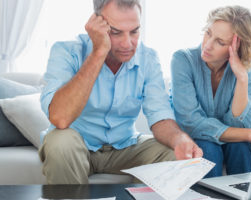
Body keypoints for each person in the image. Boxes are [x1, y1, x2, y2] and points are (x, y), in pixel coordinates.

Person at [39, 0, 202, 184]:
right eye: (115, 32)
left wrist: (179, 139)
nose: (127, 44)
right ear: (96, 25)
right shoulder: (67, 51)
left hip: (125, 145)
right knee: (59, 142)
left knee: (175, 154)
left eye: (134, 31)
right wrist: (99, 52)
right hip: (77, 145)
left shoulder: (148, 58)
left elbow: (160, 115)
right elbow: (60, 118)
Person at [170, 5, 251, 178]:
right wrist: (250, 134)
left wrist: (241, 79)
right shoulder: (183, 60)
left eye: (220, 42)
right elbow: (191, 123)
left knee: (241, 147)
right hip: (195, 139)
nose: (208, 45)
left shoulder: (245, 71)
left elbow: (242, 125)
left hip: (232, 141)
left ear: (238, 48)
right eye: (208, 33)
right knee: (208, 148)